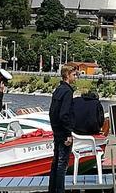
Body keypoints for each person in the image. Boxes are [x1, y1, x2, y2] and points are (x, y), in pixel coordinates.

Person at [48, 64, 78, 193]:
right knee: (62, 164)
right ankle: (60, 190)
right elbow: (64, 114)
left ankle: (52, 189)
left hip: (57, 131)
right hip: (63, 132)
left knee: (55, 163)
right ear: (67, 75)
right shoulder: (67, 91)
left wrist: (56, 129)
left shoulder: (58, 89)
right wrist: (68, 133)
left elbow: (52, 112)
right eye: (74, 75)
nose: (76, 77)